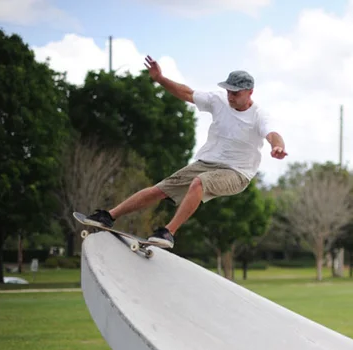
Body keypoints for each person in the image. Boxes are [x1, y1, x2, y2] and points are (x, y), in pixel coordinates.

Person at [83, 55, 287, 249]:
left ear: (250, 92)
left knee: (200, 182)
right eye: (228, 92)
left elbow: (273, 134)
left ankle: (168, 233)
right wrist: (160, 79)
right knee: (159, 189)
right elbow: (188, 94)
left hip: (237, 173)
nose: (230, 97)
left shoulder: (260, 115)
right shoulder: (218, 100)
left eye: (236, 93)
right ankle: (108, 216)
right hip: (206, 163)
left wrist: (277, 147)